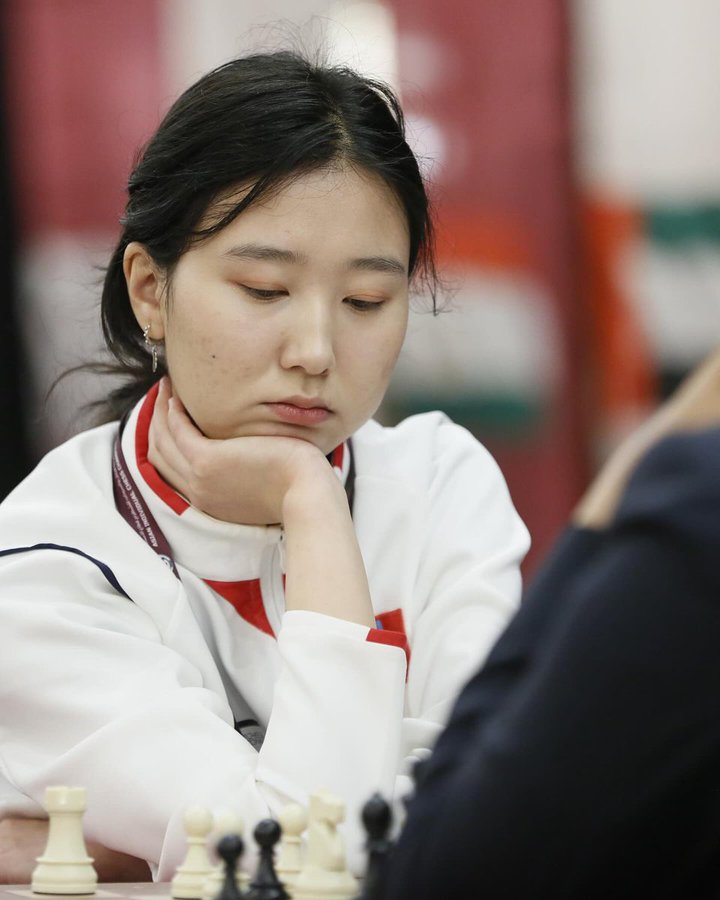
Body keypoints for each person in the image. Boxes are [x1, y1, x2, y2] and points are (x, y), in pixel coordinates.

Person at [0, 51, 529, 882]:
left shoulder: (440, 484)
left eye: (364, 302)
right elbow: (298, 871)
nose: (315, 351)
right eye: (264, 290)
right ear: (149, 290)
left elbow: (499, 824)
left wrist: (124, 850)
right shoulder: (46, 565)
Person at [384, 349, 720, 899]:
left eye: (365, 306)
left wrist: (629, 485)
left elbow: (454, 864)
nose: (314, 353)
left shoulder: (443, 470)